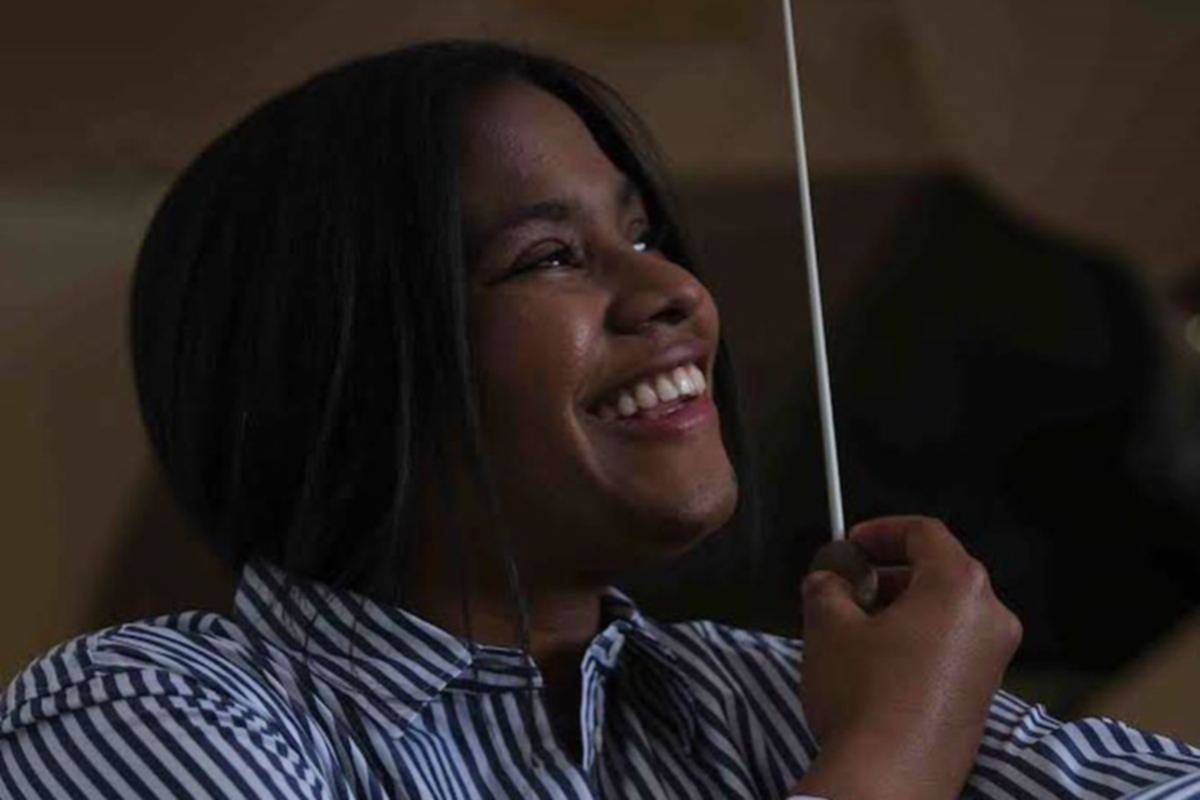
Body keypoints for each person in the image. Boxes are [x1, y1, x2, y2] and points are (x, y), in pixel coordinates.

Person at [1, 41, 1196, 800]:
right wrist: (897, 755)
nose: (675, 289)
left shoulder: (772, 696)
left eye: (642, 232)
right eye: (550, 256)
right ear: (340, 360)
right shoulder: (137, 713)